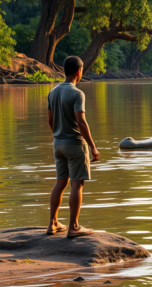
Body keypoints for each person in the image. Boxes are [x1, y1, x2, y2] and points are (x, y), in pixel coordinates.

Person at [46, 56, 100, 238]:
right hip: (75, 144)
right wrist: (93, 146)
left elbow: (50, 120)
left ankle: (52, 223)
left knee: (61, 182)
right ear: (79, 71)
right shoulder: (77, 93)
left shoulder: (52, 92)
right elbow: (81, 122)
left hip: (58, 143)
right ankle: (74, 226)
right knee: (77, 185)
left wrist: (59, 134)